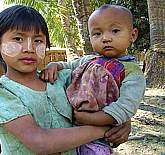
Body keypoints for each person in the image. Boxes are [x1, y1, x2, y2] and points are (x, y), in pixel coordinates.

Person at [40, 4, 146, 155]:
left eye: (115, 31)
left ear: (133, 35)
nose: (106, 38)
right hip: (70, 132)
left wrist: (90, 119)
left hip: (98, 139)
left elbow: (125, 108)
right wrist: (54, 65)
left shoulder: (132, 73)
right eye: (97, 33)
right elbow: (68, 65)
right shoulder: (90, 60)